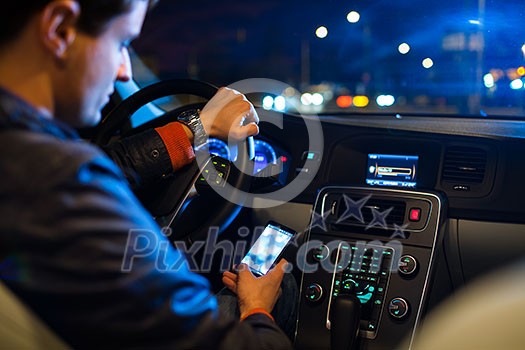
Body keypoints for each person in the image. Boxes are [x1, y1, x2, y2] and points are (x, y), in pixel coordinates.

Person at [0, 0, 295, 349]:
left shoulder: (27, 161)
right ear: (60, 29)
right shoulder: (60, 181)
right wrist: (257, 311)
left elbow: (111, 163)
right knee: (281, 288)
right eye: (121, 43)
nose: (125, 71)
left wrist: (197, 128)